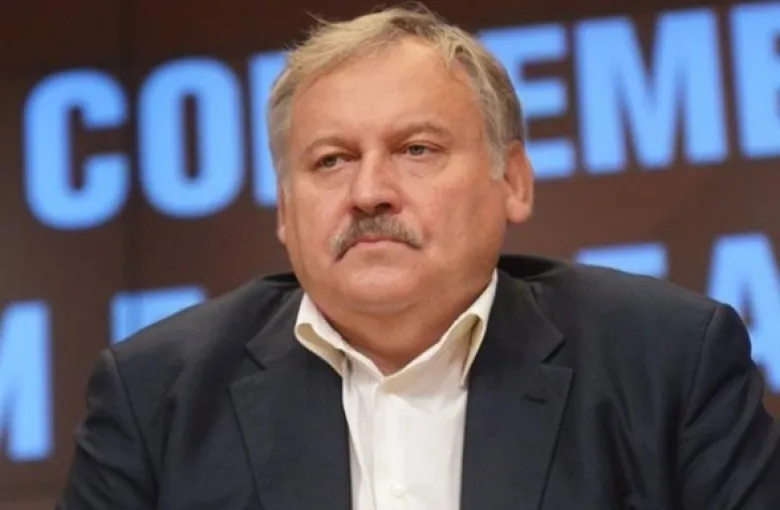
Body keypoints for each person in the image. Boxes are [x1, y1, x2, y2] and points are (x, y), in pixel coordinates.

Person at [57, 5, 780, 510]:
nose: (369, 191)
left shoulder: (668, 362)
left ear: (513, 180)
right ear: (284, 209)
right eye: (331, 160)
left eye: (417, 149)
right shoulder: (155, 396)